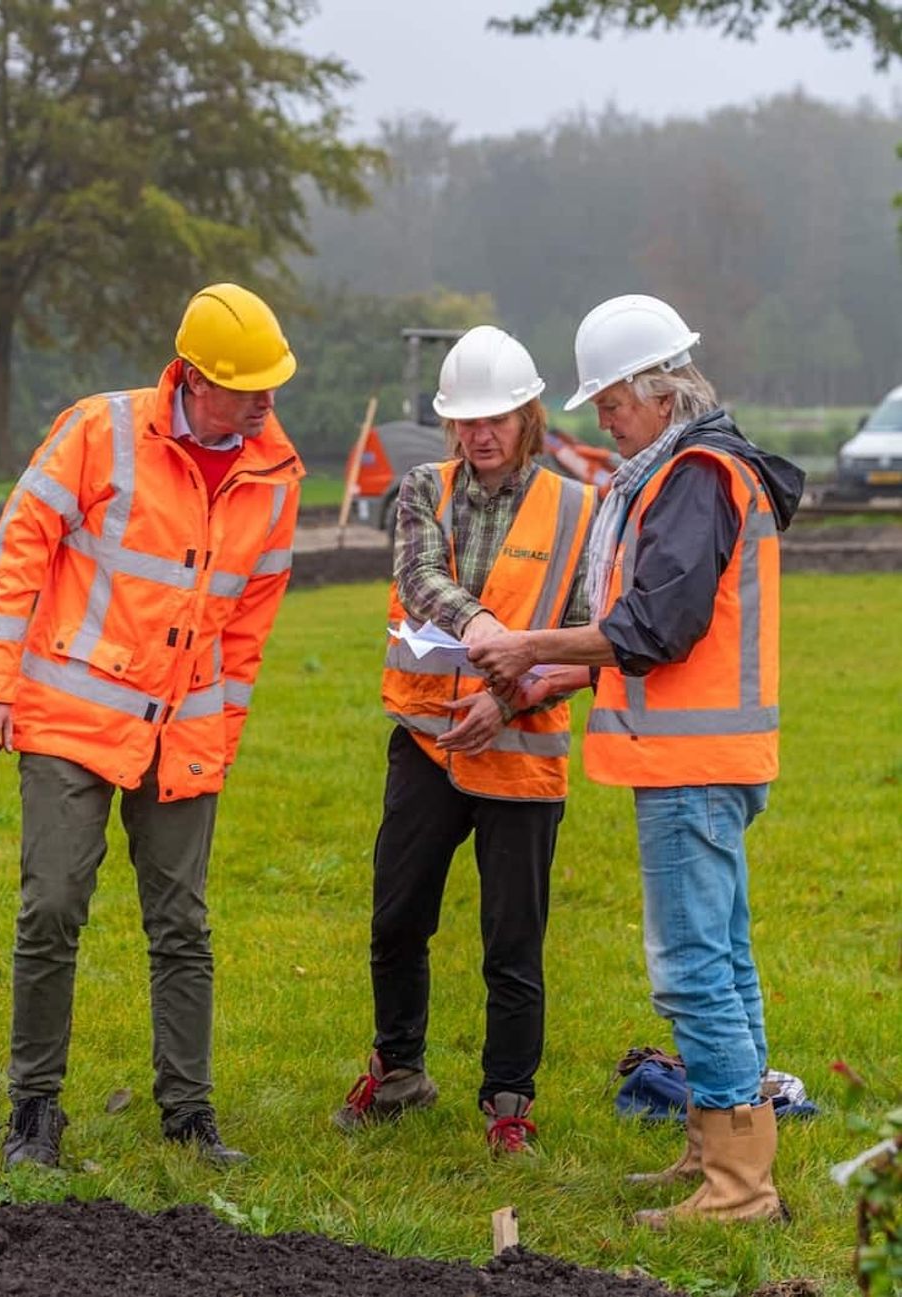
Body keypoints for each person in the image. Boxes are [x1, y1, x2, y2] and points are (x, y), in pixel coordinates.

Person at [472, 295, 804, 1218]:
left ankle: (739, 1184)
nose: (606, 424)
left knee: (694, 965)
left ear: (659, 392)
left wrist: (534, 647)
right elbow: (663, 633)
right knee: (724, 959)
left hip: (689, 768)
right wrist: (563, 676)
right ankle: (716, 1153)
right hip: (713, 758)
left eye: (611, 405)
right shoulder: (700, 471)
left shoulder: (694, 477)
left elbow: (656, 624)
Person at [0, 283, 303, 1169]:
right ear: (192, 377)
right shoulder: (98, 430)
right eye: (247, 385)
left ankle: (189, 1117)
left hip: (182, 733)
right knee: (53, 906)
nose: (266, 401)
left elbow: (249, 630)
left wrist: (217, 740)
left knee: (183, 924)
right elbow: (18, 546)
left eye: (273, 384)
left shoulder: (277, 475)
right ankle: (34, 1111)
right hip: (71, 715)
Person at [333, 325, 597, 1153]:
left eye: (497, 418)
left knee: (512, 944)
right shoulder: (422, 488)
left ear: (529, 415)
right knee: (397, 918)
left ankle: (508, 1103)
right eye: (466, 421)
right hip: (425, 743)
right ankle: (400, 1068)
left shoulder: (580, 509)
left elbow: (593, 638)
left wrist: (505, 701)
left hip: (519, 758)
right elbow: (418, 578)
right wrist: (483, 625)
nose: (480, 435)